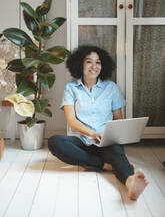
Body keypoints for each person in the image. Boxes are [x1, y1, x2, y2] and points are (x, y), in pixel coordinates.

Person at [48, 45, 148, 201]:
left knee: (116, 149)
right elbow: (71, 120)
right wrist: (92, 133)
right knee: (55, 142)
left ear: (103, 66)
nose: (94, 66)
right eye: (89, 62)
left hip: (105, 141)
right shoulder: (71, 88)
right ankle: (104, 165)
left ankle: (130, 182)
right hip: (80, 141)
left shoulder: (111, 87)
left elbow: (118, 119)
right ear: (80, 64)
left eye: (98, 62)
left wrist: (116, 135)